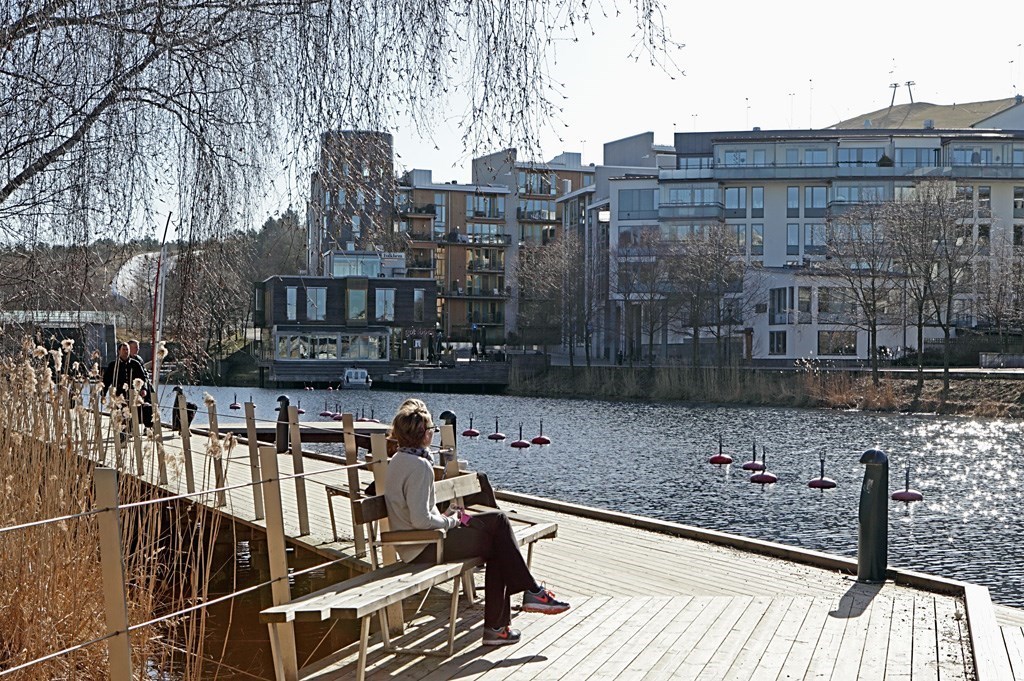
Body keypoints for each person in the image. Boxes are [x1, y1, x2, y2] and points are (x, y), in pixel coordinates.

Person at [383, 398, 569, 647]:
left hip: (416, 542)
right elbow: (421, 519)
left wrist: (449, 517)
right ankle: (526, 597)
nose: (432, 433)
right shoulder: (419, 466)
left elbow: (417, 513)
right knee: (499, 524)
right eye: (431, 430)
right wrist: (450, 521)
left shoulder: (399, 459)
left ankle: (502, 625)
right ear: (423, 434)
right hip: (423, 545)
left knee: (497, 542)